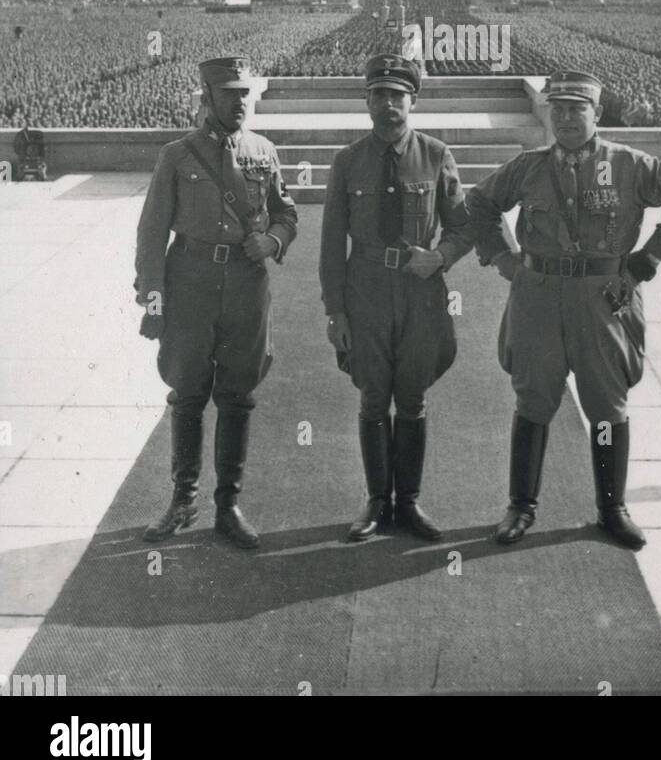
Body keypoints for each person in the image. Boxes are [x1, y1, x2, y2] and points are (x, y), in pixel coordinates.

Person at [467, 69, 661, 549]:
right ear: (549, 113)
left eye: (578, 109)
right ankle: (520, 506)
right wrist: (503, 258)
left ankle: (612, 509)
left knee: (606, 404)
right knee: (533, 398)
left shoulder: (630, 165)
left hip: (604, 299)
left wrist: (644, 262)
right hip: (538, 296)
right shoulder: (529, 167)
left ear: (597, 114)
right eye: (559, 109)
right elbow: (478, 203)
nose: (568, 118)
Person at [134, 56, 297, 549]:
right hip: (190, 280)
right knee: (187, 391)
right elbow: (151, 233)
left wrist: (272, 241)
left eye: (245, 93)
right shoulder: (178, 156)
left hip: (247, 284)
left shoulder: (263, 151)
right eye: (229, 93)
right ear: (206, 96)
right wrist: (153, 299)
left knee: (238, 392)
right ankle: (184, 498)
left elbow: (285, 213)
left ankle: (228, 504)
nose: (240, 101)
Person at [319, 53, 475, 542]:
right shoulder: (348, 162)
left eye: (397, 96)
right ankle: (374, 502)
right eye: (379, 95)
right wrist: (335, 310)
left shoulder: (435, 155)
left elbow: (464, 226)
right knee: (371, 397)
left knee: (411, 397)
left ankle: (407, 503)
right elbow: (330, 243)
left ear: (413, 101)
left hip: (419, 293)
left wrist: (442, 257)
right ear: (367, 101)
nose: (389, 105)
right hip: (365, 290)